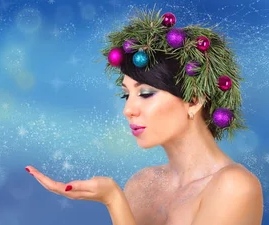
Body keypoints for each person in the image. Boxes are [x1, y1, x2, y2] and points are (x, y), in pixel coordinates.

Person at [25, 9, 263, 225]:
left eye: (146, 93)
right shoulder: (141, 184)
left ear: (194, 101)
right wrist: (113, 198)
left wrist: (113, 200)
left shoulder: (235, 186)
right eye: (125, 95)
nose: (128, 110)